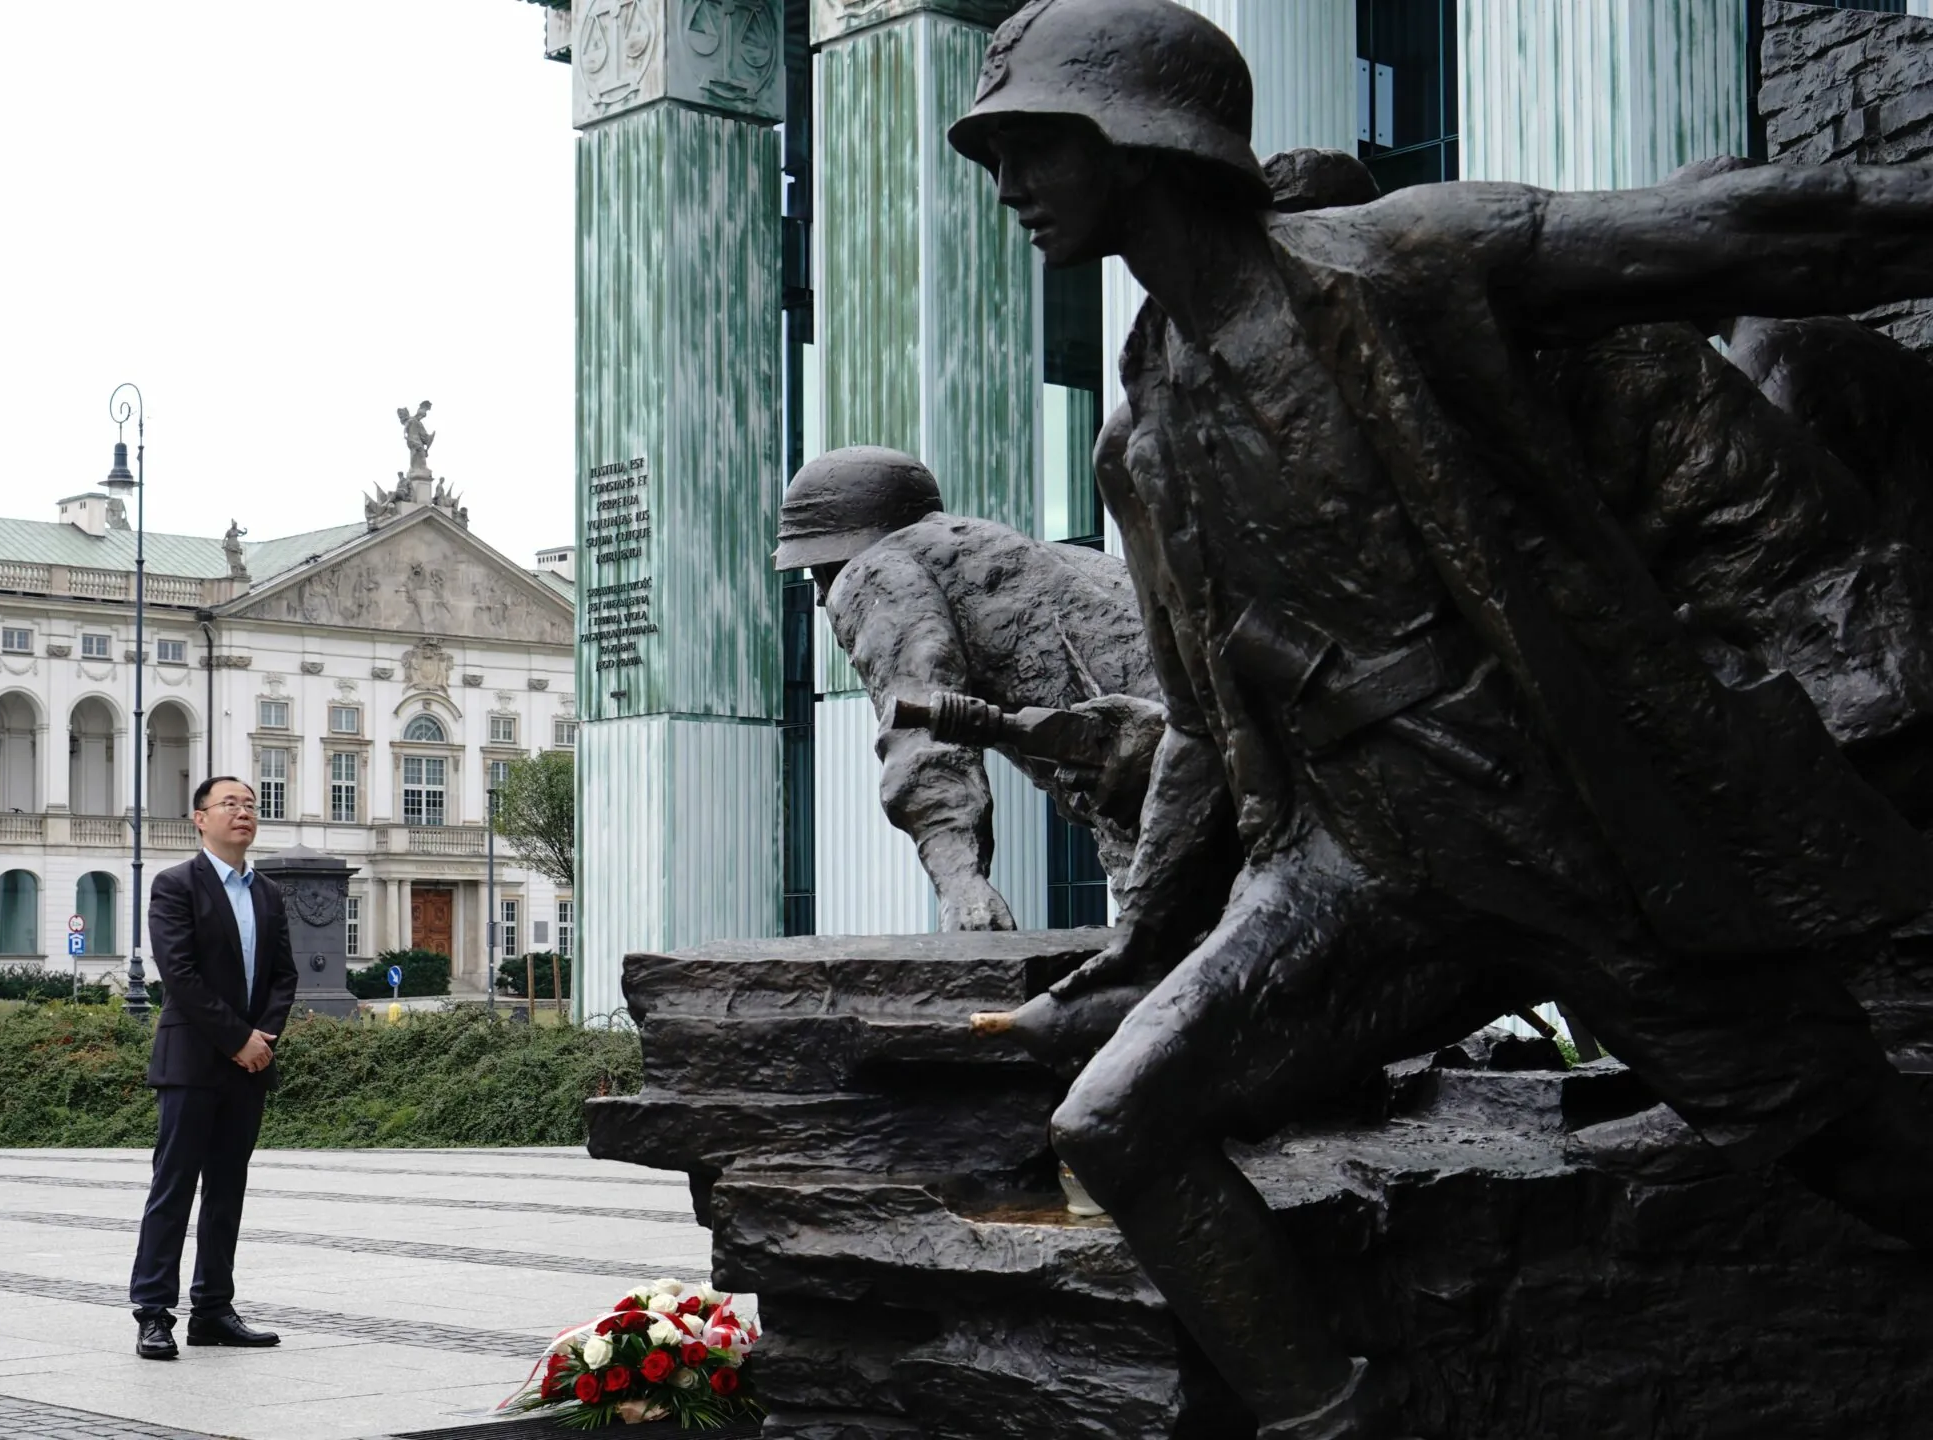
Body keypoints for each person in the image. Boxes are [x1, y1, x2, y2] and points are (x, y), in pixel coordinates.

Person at [944, 1, 1933, 1435]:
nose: (1011, 185)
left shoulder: (1390, 263)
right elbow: (1207, 729)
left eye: (1034, 145)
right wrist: (1143, 948)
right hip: (1350, 864)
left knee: (1851, 1148)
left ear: (1139, 141)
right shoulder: (1138, 432)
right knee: (1118, 1120)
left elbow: (1742, 230)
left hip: (1560, 830)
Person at [775, 445, 1167, 926]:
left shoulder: (873, 572)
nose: (820, 595)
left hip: (1160, 792)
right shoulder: (1051, 561)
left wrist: (962, 885)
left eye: (820, 568)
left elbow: (923, 738)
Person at [128, 774, 298, 1359]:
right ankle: (153, 1312)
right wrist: (236, 1039)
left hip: (250, 1062)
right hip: (194, 1060)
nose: (243, 812)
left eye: (250, 804)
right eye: (230, 804)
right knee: (172, 1189)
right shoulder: (175, 885)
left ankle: (213, 1310)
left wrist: (262, 1038)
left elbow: (284, 975)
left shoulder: (268, 893)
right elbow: (180, 975)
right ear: (199, 818)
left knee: (228, 1190)